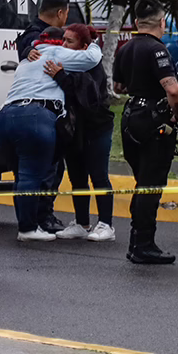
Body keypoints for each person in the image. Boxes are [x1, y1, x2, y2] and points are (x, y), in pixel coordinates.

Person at [0, 27, 102, 242]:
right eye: (62, 40)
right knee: (31, 175)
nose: (64, 44)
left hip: (5, 117)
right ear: (55, 41)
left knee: (21, 175)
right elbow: (93, 58)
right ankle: (28, 229)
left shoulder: (27, 59)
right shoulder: (55, 53)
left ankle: (26, 224)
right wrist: (93, 40)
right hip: (35, 116)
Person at [113, 0, 178, 264]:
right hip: (153, 120)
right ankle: (143, 243)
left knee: (142, 181)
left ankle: (137, 240)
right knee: (151, 184)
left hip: (131, 117)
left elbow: (119, 87)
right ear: (162, 22)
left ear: (136, 22)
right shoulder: (158, 50)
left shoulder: (125, 48)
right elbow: (174, 91)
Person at [45, 23, 116, 242]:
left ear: (84, 46)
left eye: (70, 41)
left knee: (98, 174)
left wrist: (61, 77)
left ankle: (106, 225)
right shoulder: (65, 63)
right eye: (63, 40)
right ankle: (82, 223)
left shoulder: (90, 65)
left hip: (97, 126)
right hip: (74, 127)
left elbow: (86, 96)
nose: (64, 45)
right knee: (77, 175)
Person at [15, 0, 72, 234]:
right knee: (48, 167)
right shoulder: (40, 38)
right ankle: (41, 217)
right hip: (43, 112)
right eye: (66, 14)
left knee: (38, 168)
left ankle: (36, 217)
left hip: (28, 111)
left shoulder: (29, 34)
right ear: (60, 13)